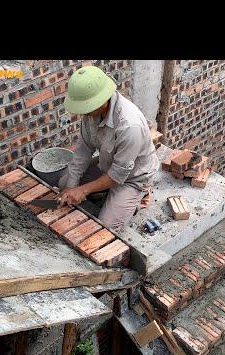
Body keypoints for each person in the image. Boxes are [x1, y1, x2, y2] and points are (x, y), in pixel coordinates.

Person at [57, 65, 159, 232]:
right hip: (107, 165)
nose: (83, 112)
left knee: (106, 227)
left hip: (132, 177)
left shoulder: (129, 126)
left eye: (86, 107)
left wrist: (83, 190)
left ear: (102, 101)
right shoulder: (91, 113)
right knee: (64, 183)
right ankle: (103, 192)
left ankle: (139, 196)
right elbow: (83, 150)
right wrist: (71, 186)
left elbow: (117, 174)